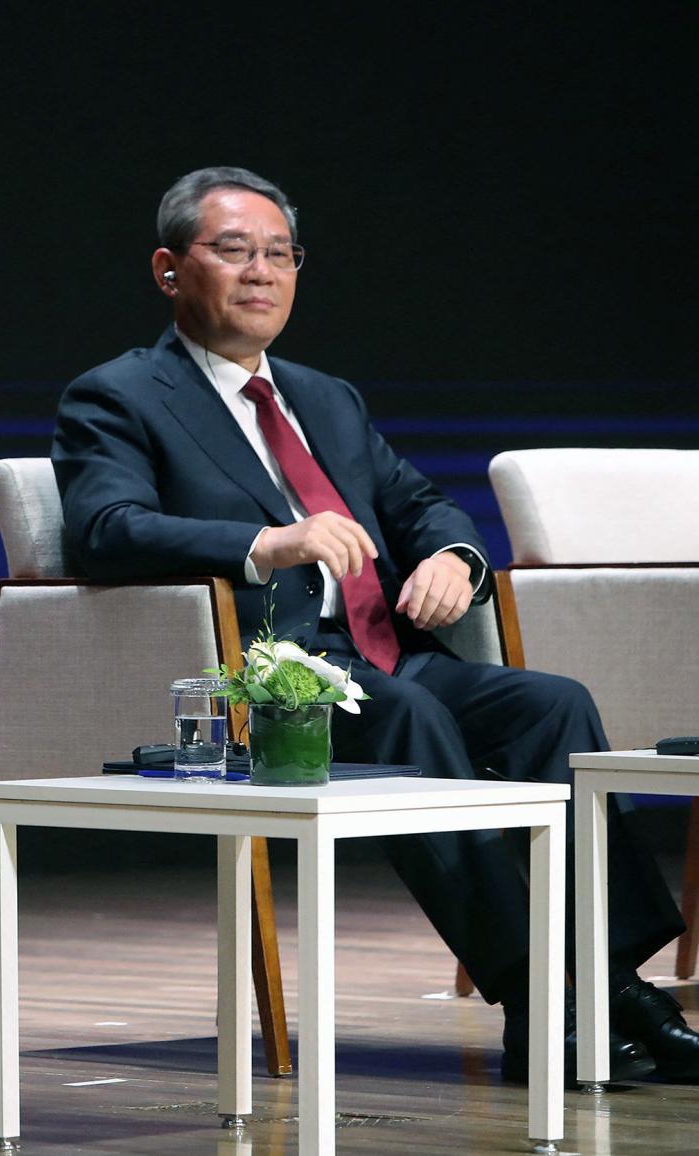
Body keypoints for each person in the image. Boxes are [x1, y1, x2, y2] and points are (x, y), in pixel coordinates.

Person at [52, 164, 699, 1083]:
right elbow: (106, 529)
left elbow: (421, 503)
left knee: (549, 706)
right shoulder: (117, 395)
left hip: (383, 654)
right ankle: (539, 999)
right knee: (410, 718)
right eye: (234, 251)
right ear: (169, 270)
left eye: (280, 254)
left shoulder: (327, 399)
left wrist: (453, 559)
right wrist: (268, 540)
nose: (262, 273)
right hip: (271, 676)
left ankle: (611, 981)